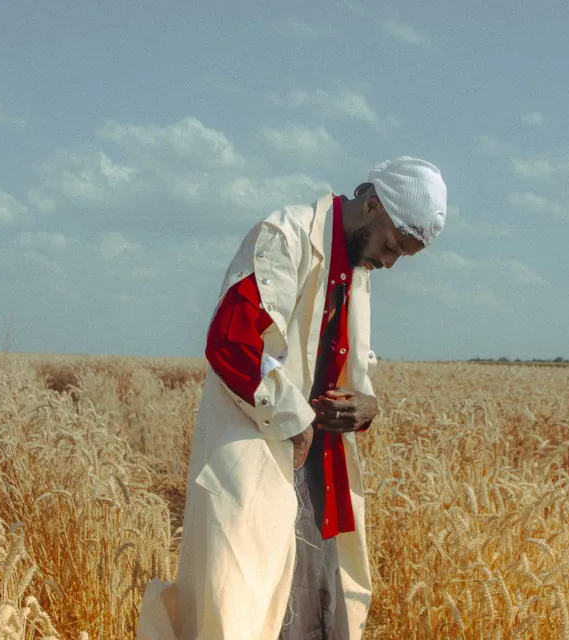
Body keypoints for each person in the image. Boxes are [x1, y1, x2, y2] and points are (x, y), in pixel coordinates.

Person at [137, 157, 448, 640]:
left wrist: (367, 406)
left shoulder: (355, 267)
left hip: (319, 475)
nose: (389, 262)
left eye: (402, 256)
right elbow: (231, 341)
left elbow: (345, 366)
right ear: (371, 207)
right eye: (391, 246)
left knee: (316, 617)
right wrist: (297, 421)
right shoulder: (284, 237)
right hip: (260, 457)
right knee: (243, 609)